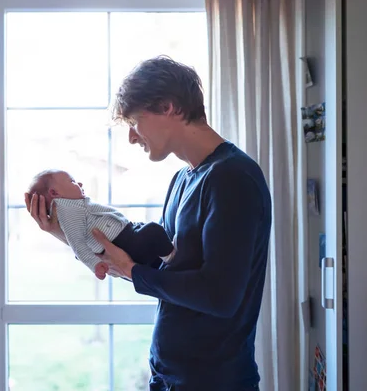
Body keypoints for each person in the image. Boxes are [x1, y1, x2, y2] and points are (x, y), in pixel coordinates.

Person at [24, 55, 271, 391]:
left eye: (134, 122)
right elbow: (155, 269)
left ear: (168, 107)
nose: (131, 138)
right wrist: (63, 232)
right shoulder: (183, 180)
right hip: (169, 378)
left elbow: (220, 296)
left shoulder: (233, 178)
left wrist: (133, 273)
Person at [27, 169, 175, 279]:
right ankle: (174, 258)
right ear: (54, 193)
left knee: (153, 235)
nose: (79, 183)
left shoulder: (73, 207)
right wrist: (95, 265)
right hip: (124, 241)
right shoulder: (68, 211)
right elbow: (77, 243)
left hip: (126, 236)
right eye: (72, 181)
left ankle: (168, 259)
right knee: (153, 231)